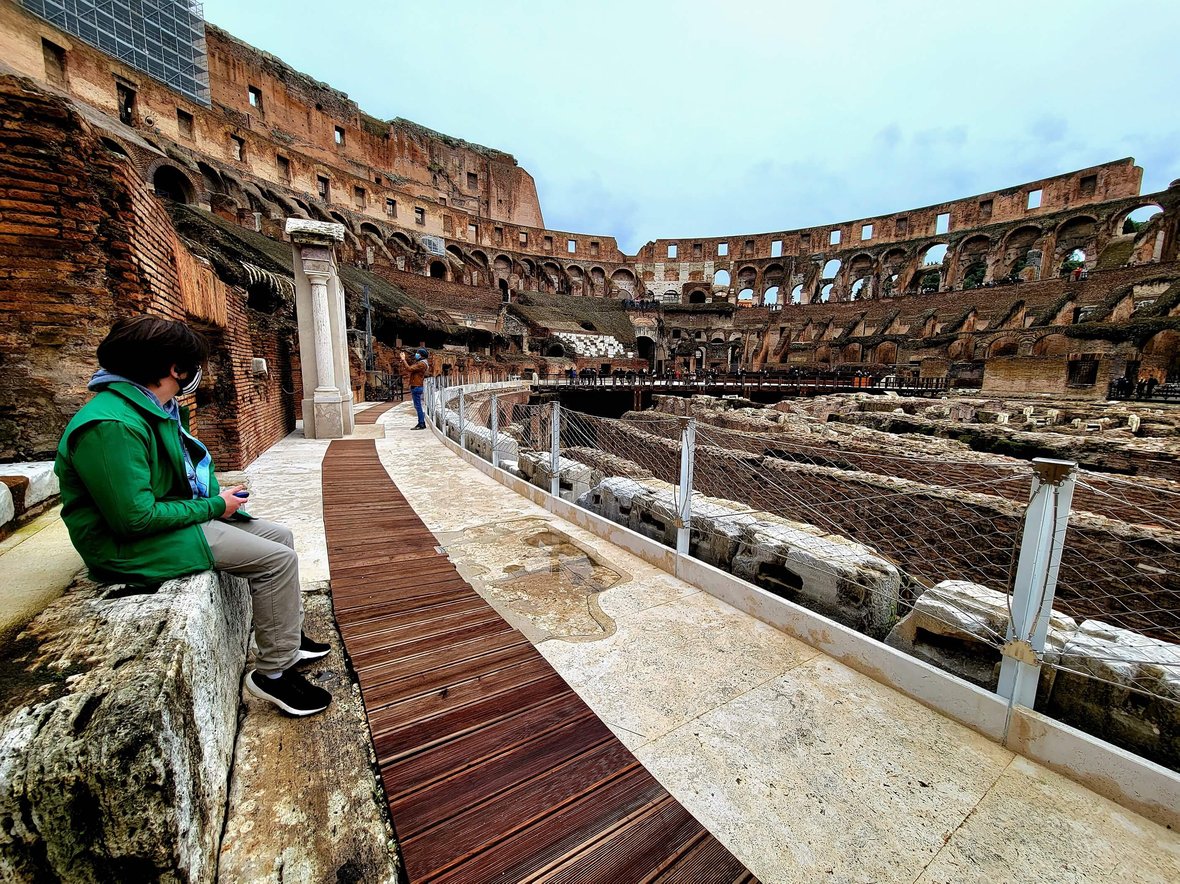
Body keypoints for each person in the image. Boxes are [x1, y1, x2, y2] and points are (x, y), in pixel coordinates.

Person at [54, 316, 331, 717]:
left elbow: (165, 483)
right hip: (125, 545)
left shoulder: (152, 407)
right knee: (276, 562)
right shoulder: (111, 424)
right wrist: (215, 507)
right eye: (193, 367)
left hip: (158, 523)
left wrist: (214, 497)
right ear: (174, 369)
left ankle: (285, 639)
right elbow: (133, 519)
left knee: (279, 536)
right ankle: (273, 674)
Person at [398, 347, 431, 429]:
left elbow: (409, 369)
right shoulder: (422, 363)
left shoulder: (421, 364)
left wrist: (403, 359)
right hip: (417, 386)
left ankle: (421, 423)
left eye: (418, 353)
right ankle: (421, 422)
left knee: (418, 406)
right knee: (418, 406)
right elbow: (412, 368)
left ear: (422, 355)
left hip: (416, 387)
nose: (416, 354)